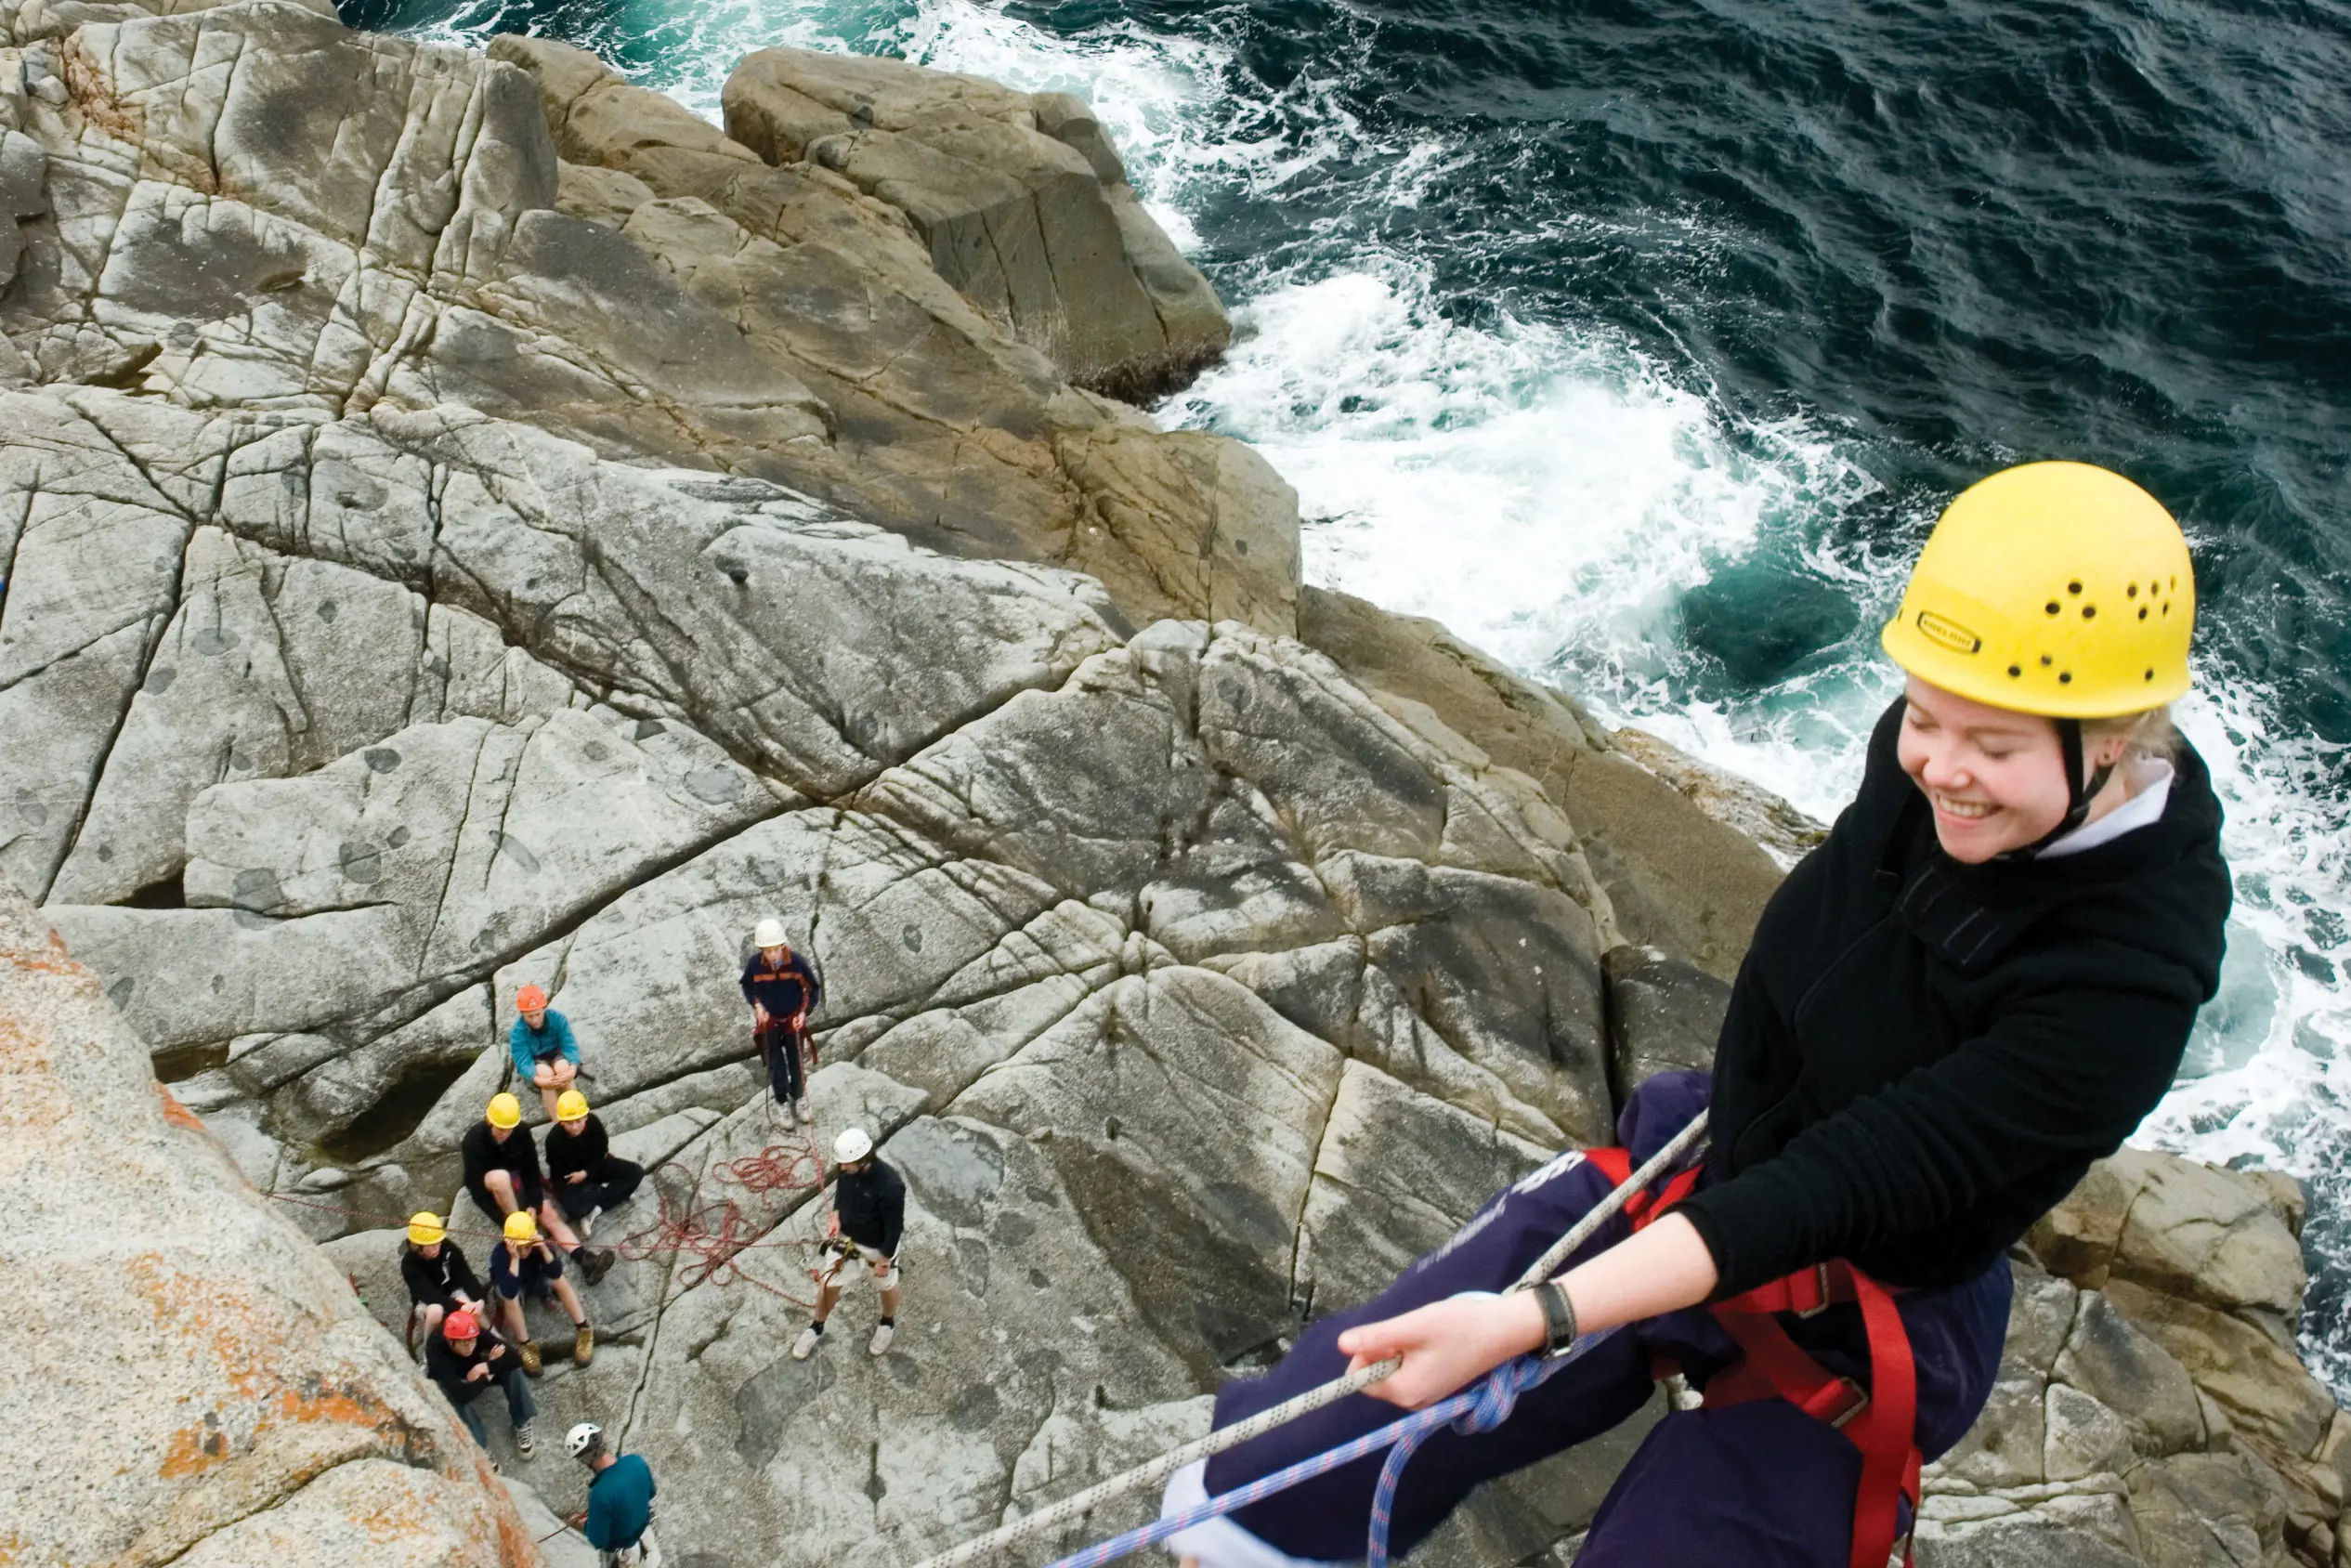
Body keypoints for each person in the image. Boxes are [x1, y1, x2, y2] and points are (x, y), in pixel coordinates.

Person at [1161, 462, 2232, 1568]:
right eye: (1921, 716)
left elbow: (1846, 1183)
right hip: (1712, 1153)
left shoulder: (2128, 982)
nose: (1938, 770)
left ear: (2110, 734)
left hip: (1865, 1318)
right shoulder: (1937, 762)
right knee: (1301, 1448)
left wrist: (1538, 1317)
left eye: (1992, 748)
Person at [462, 1091, 616, 1290]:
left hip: (519, 1178)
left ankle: (585, 1259)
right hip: (493, 1183)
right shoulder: (473, 1142)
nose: (504, 1132)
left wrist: (534, 1203)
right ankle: (520, 1227)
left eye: (509, 1128)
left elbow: (531, 1169)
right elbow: (477, 1190)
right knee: (500, 1179)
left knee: (550, 1215)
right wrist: (506, 1222)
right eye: (500, 1128)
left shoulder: (522, 1133)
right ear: (489, 1122)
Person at [791, 1128, 905, 1360]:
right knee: (828, 1284)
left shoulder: (891, 1186)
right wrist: (836, 1216)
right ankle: (817, 1326)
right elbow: (841, 1194)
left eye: (846, 1164)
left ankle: (887, 1323)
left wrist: (885, 1260)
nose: (842, 1168)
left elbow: (894, 1228)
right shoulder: (847, 1170)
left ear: (864, 1160)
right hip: (845, 1239)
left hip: (876, 1247)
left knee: (887, 1286)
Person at [491, 1209, 598, 1376]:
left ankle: (584, 1329)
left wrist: (543, 1249)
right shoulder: (500, 1254)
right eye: (521, 1246)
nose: (525, 1250)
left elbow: (555, 1271)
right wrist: (515, 1258)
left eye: (527, 1246)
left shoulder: (538, 1247)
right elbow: (509, 1290)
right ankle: (525, 1345)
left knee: (560, 1281)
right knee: (509, 1298)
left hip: (536, 1281)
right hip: (517, 1288)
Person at [740, 918, 822, 1125]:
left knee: (795, 1061)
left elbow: (813, 988)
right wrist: (757, 1006)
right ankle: (782, 1101)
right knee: (775, 1063)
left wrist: (804, 1013)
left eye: (775, 949)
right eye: (767, 951)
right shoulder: (755, 966)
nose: (772, 955)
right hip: (769, 1022)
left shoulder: (796, 963)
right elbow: (748, 987)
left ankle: (800, 1098)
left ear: (783, 946)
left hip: (792, 1020)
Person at [425, 1308, 537, 1457]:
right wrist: (486, 1378)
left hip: (477, 1370)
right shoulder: (436, 1349)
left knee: (512, 1370)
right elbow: (461, 1395)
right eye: (464, 1344)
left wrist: (485, 1367)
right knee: (451, 1396)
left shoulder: (476, 1333)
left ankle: (522, 1420)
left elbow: (515, 1357)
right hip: (453, 1379)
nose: (470, 1347)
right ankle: (479, 1445)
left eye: (472, 1341)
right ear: (451, 1341)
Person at [545, 1090, 645, 1240]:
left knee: (636, 1172)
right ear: (561, 1121)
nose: (574, 1127)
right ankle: (611, 1192)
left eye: (579, 1121)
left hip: (594, 1167)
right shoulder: (553, 1139)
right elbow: (556, 1170)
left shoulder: (594, 1124)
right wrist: (572, 1179)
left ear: (586, 1117)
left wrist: (586, 1173)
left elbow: (602, 1150)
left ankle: (598, 1206)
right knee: (576, 1210)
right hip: (570, 1177)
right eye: (569, 1123)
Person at [565, 1422, 660, 1567]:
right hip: (646, 1535)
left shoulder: (600, 1494)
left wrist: (585, 1523)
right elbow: (651, 1492)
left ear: (585, 1459)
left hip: (628, 1553)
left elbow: (598, 1540)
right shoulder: (636, 1461)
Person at [399, 1211, 485, 1355]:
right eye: (431, 1245)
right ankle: (429, 1352)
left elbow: (465, 1275)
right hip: (426, 1301)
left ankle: (489, 1340)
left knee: (475, 1309)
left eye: (438, 1243)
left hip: (451, 1290)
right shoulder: (409, 1264)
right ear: (418, 1246)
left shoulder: (447, 1247)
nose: (436, 1248)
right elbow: (430, 1295)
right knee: (436, 1311)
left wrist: (479, 1299)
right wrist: (459, 1307)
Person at [510, 983, 582, 1122]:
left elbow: (569, 1044)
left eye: (538, 1014)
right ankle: (558, 1122)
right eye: (529, 1016)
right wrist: (537, 1079)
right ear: (522, 1014)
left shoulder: (558, 1019)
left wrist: (573, 1067)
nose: (535, 1020)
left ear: (544, 1008)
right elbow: (522, 1060)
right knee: (546, 1074)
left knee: (563, 1069)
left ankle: (578, 1113)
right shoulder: (517, 1032)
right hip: (536, 1061)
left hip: (556, 1054)